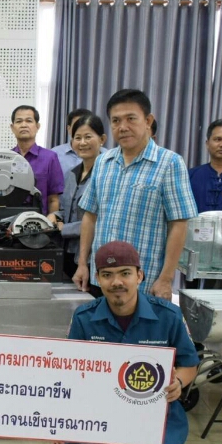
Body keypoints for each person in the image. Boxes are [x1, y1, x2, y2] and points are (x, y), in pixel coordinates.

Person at [54, 241, 198, 444]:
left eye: (125, 273)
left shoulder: (168, 316)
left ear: (139, 276)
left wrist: (178, 382)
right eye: (107, 275)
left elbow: (189, 363)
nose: (116, 282)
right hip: (99, 414)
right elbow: (68, 374)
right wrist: (60, 420)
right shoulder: (84, 318)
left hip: (152, 417)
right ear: (97, 279)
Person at [73, 89, 197, 300]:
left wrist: (166, 279)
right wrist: (83, 263)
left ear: (148, 121)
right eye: (116, 121)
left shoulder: (170, 163)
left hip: (144, 283)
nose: (123, 127)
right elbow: (90, 216)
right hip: (101, 279)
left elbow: (178, 224)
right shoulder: (103, 162)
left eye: (131, 118)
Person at [51, 113, 106, 278]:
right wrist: (54, 216)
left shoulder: (107, 174)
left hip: (92, 255)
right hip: (66, 252)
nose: (82, 143)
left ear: (102, 139)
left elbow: (101, 220)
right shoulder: (71, 173)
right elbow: (65, 208)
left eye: (88, 137)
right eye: (77, 138)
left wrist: (64, 229)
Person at [11, 105, 64, 214]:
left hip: (39, 220)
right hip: (9, 219)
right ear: (12, 127)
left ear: (37, 126)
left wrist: (51, 220)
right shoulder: (7, 158)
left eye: (29, 121)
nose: (24, 125)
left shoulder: (50, 157)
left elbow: (53, 199)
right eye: (19, 121)